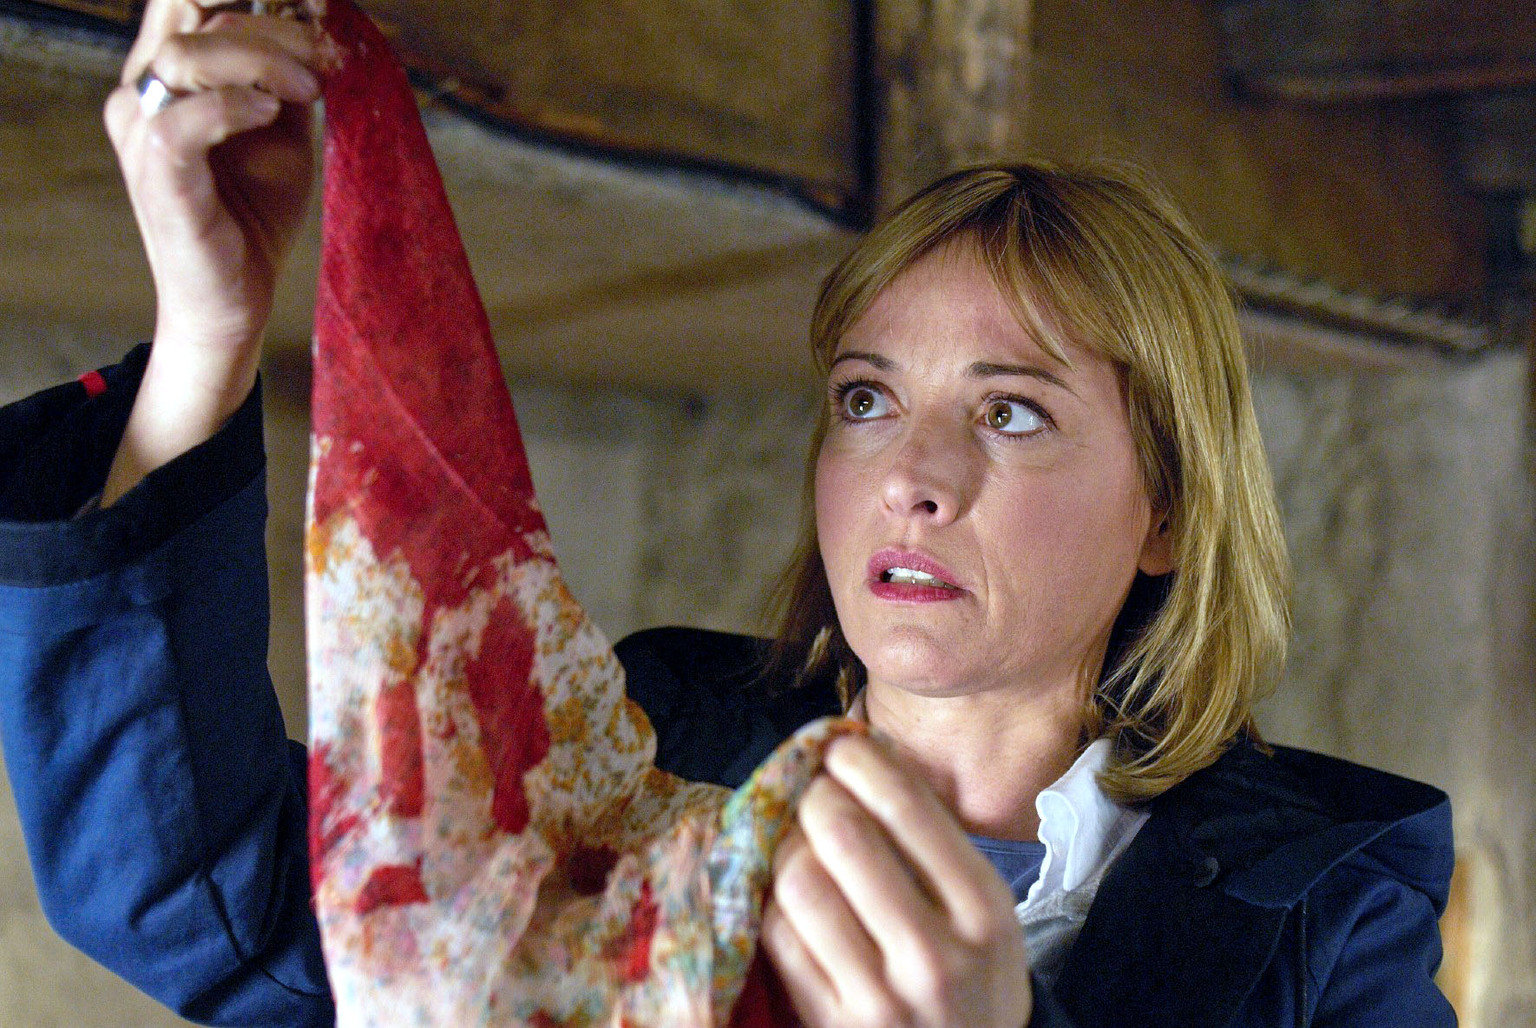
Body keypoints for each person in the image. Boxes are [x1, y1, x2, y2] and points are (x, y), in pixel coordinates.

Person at [0, 2, 1456, 1026]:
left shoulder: (1331, 912)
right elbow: (203, 899)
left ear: (1170, 512)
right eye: (868, 398)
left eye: (1011, 412)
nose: (912, 475)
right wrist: (209, 328)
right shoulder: (640, 750)